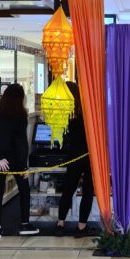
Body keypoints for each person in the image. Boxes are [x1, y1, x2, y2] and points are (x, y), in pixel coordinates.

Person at [0, 84, 39, 238]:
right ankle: (24, 224)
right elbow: (20, 142)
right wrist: (24, 166)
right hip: (15, 159)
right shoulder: (20, 114)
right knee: (24, 190)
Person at [55, 82, 96, 238]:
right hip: (89, 155)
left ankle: (60, 223)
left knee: (68, 189)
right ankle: (81, 226)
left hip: (73, 155)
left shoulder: (65, 113)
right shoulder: (87, 111)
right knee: (87, 191)